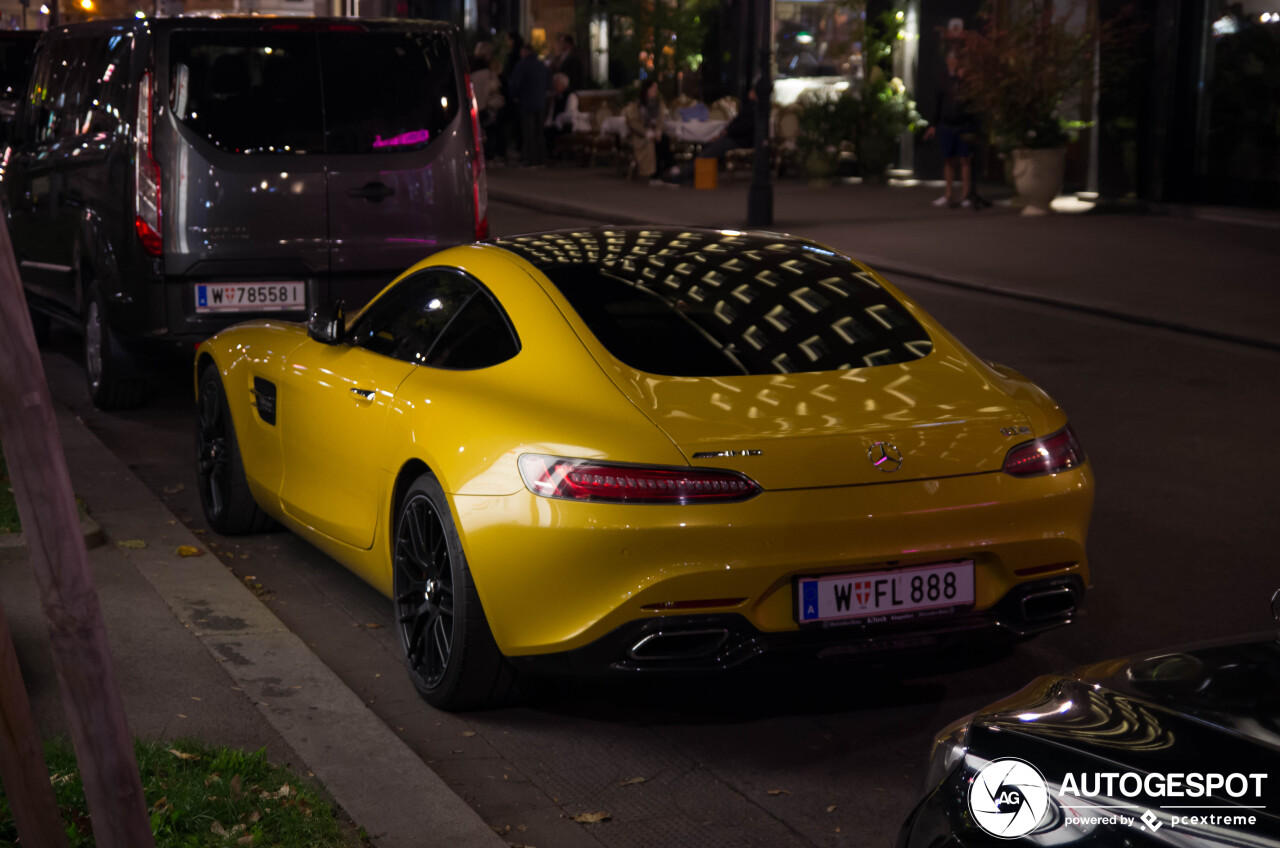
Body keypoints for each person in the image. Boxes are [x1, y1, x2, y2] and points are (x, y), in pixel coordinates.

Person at [662, 86, 758, 184]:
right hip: (735, 137)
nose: (749, 93)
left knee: (711, 150)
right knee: (709, 147)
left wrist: (727, 132)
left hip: (739, 140)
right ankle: (693, 172)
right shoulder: (750, 107)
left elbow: (743, 127)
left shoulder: (754, 109)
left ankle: (684, 174)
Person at [923, 51, 979, 208]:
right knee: (948, 160)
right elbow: (938, 102)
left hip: (964, 125)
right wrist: (934, 125)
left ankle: (965, 195)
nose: (953, 62)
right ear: (947, 61)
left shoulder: (966, 80)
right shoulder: (943, 79)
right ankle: (948, 194)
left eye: (956, 59)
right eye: (950, 59)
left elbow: (971, 101)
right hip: (947, 125)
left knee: (965, 160)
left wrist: (962, 79)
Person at [622, 78, 672, 184]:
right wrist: (647, 132)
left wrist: (658, 131)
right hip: (642, 135)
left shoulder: (659, 104)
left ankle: (665, 170)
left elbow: (661, 120)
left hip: (655, 132)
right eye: (653, 88)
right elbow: (634, 123)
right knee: (654, 144)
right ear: (647, 90)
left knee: (664, 140)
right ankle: (654, 174)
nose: (655, 91)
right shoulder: (637, 105)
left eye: (656, 88)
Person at [508, 41, 550, 166]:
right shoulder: (542, 65)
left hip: (527, 102)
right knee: (539, 132)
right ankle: (541, 158)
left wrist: (514, 96)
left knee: (529, 132)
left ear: (525, 52)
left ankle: (531, 159)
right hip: (540, 102)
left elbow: (516, 83)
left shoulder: (522, 65)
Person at [470, 42, 505, 163]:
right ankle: (490, 155)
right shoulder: (489, 73)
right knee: (490, 130)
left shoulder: (471, 70)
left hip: (474, 105)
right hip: (486, 105)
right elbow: (494, 88)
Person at [544, 72, 581, 160]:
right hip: (557, 123)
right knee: (546, 130)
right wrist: (548, 123)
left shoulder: (571, 95)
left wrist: (557, 120)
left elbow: (570, 113)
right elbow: (551, 112)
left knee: (551, 132)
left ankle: (557, 154)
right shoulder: (556, 96)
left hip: (567, 124)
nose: (554, 87)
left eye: (556, 84)